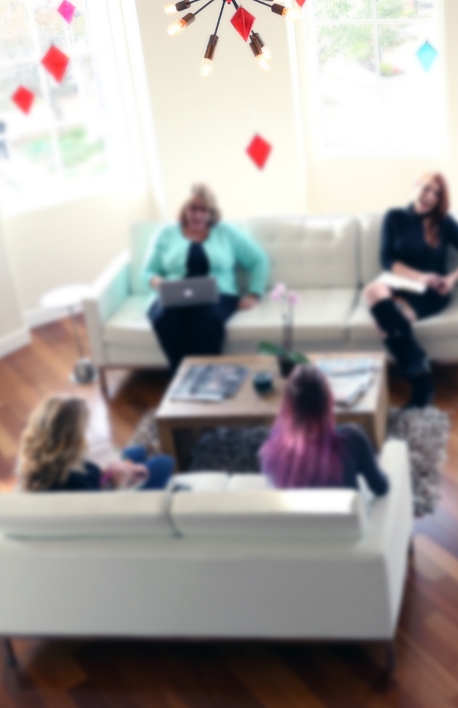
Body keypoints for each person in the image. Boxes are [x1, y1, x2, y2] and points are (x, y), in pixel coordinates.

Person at [361, 172, 458, 408]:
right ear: (415, 187)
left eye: (436, 193)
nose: (430, 196)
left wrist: (452, 278)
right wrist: (420, 277)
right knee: (371, 291)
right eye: (426, 188)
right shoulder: (394, 216)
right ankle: (419, 364)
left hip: (431, 293)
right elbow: (386, 259)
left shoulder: (443, 222)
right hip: (400, 283)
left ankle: (420, 384)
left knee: (386, 324)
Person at [143, 183, 269, 371]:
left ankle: (207, 376)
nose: (197, 214)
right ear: (185, 209)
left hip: (218, 295)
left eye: (203, 209)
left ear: (211, 213)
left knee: (205, 320)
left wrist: (254, 294)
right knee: (164, 318)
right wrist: (158, 282)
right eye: (193, 208)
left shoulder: (226, 232)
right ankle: (181, 376)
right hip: (174, 295)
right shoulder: (166, 233)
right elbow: (148, 271)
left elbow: (259, 259)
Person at [258, 364, 389, 495]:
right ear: (328, 399)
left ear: (287, 404)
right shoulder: (352, 439)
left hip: (300, 509)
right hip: (348, 509)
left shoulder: (272, 451)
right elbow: (380, 487)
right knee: (392, 449)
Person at [17, 395, 175, 492]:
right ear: (71, 440)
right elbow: (106, 511)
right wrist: (119, 483)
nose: (86, 437)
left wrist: (109, 472)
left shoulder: (37, 461)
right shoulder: (75, 484)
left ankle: (132, 462)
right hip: (113, 496)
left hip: (98, 480)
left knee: (138, 451)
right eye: (83, 431)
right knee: (164, 462)